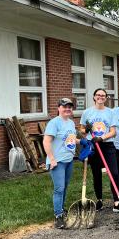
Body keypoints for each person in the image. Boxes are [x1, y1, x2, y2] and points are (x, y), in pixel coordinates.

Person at [80, 88, 119, 213]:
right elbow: (81, 129)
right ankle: (99, 200)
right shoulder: (87, 112)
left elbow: (113, 132)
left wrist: (101, 138)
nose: (100, 97)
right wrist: (86, 130)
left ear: (106, 98)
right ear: (94, 97)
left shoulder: (110, 112)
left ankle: (116, 202)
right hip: (93, 146)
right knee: (96, 173)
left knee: (114, 173)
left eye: (103, 95)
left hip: (107, 145)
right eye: (98, 95)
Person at [43, 98, 80, 229]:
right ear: (59, 108)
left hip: (68, 160)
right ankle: (58, 216)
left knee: (64, 187)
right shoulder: (54, 123)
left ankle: (62, 209)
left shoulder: (70, 123)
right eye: (64, 107)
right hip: (57, 162)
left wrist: (81, 142)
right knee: (59, 189)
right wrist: (52, 159)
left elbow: (71, 138)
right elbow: (46, 142)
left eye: (70, 107)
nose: (67, 109)